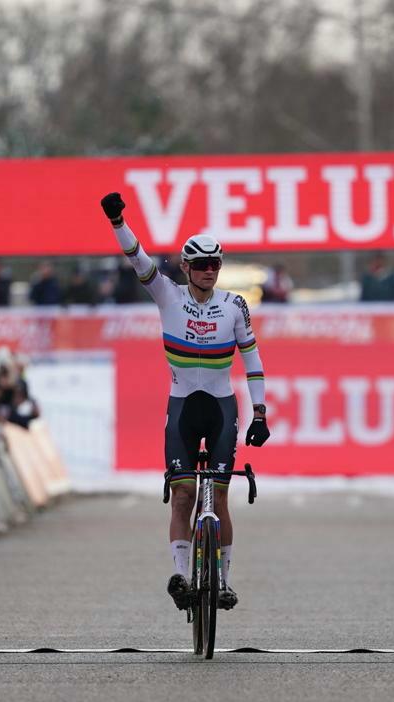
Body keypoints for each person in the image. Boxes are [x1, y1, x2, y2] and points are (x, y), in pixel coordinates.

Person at [100, 191, 270, 611]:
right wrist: (118, 221)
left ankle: (224, 581)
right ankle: (180, 574)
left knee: (220, 496)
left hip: (221, 409)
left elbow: (252, 360)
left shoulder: (235, 305)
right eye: (202, 264)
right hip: (181, 408)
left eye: (216, 264)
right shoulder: (168, 296)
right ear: (186, 267)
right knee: (181, 497)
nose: (210, 271)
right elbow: (138, 259)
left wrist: (260, 412)